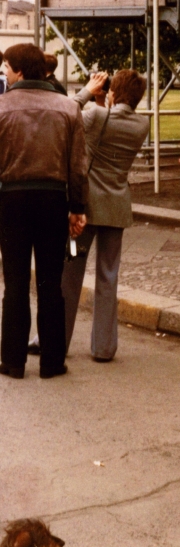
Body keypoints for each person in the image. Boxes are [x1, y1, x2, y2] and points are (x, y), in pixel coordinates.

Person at [0, 44, 88, 379]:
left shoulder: (1, 106)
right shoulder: (67, 107)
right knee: (51, 283)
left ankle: (12, 360)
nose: (3, 72)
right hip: (54, 200)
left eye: (6, 66)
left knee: (15, 282)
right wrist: (78, 208)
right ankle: (52, 361)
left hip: (11, 200)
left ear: (20, 70)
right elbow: (78, 167)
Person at [62, 69, 149, 362]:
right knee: (108, 276)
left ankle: (56, 340)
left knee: (70, 274)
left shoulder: (97, 116)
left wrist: (90, 91)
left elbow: (64, 111)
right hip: (117, 205)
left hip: (85, 208)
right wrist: (104, 100)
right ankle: (103, 347)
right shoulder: (142, 124)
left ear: (113, 91)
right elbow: (108, 126)